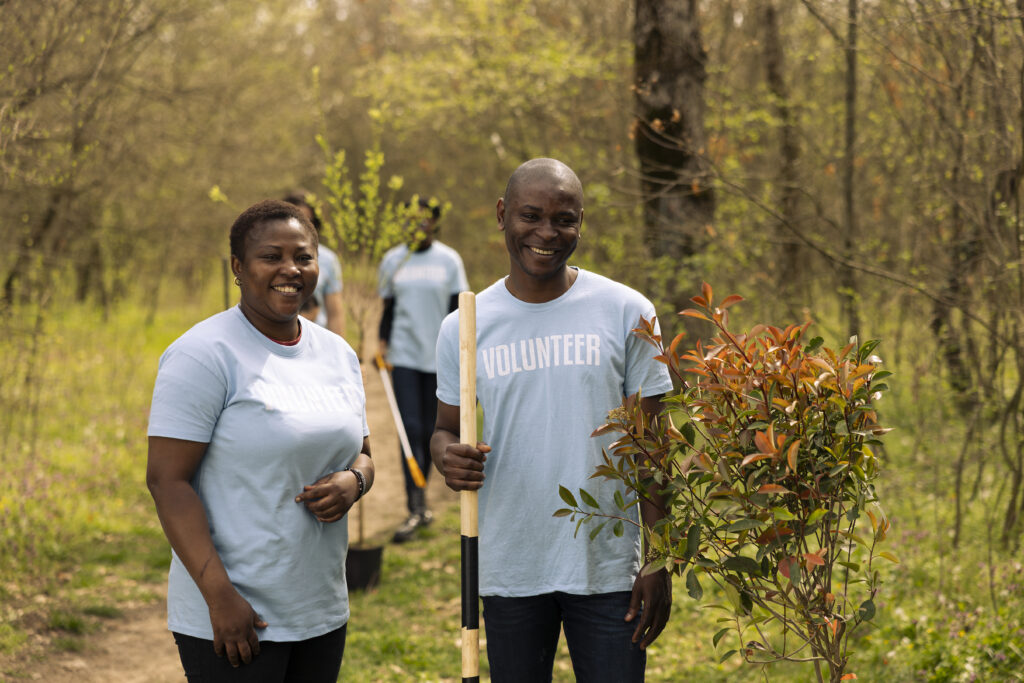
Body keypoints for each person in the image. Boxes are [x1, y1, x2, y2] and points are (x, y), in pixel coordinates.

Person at [431, 159, 674, 682]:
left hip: (608, 566)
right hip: (510, 562)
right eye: (531, 215)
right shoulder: (465, 326)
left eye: (563, 219)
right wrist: (446, 457)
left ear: (581, 222)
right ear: (502, 215)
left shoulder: (626, 310)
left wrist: (658, 560)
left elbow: (654, 446)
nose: (546, 233)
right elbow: (444, 429)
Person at [146, 199, 373, 682]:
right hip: (236, 614)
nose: (290, 269)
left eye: (304, 257)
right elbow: (168, 482)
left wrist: (355, 481)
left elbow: (364, 453)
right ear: (238, 267)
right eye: (271, 256)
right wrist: (219, 596)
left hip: (319, 608)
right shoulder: (203, 355)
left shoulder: (337, 354)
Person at [378, 197, 469, 542]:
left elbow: (458, 310)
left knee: (431, 430)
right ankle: (416, 505)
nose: (418, 225)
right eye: (410, 219)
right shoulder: (392, 259)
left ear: (434, 222)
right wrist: (382, 343)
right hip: (403, 356)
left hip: (439, 359)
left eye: (424, 220)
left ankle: (423, 498)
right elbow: (388, 309)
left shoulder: (449, 260)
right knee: (410, 429)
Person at [283, 191, 346, 338]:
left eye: (305, 222)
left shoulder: (328, 260)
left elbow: (335, 313)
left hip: (315, 342)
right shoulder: (266, 257)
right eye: (292, 220)